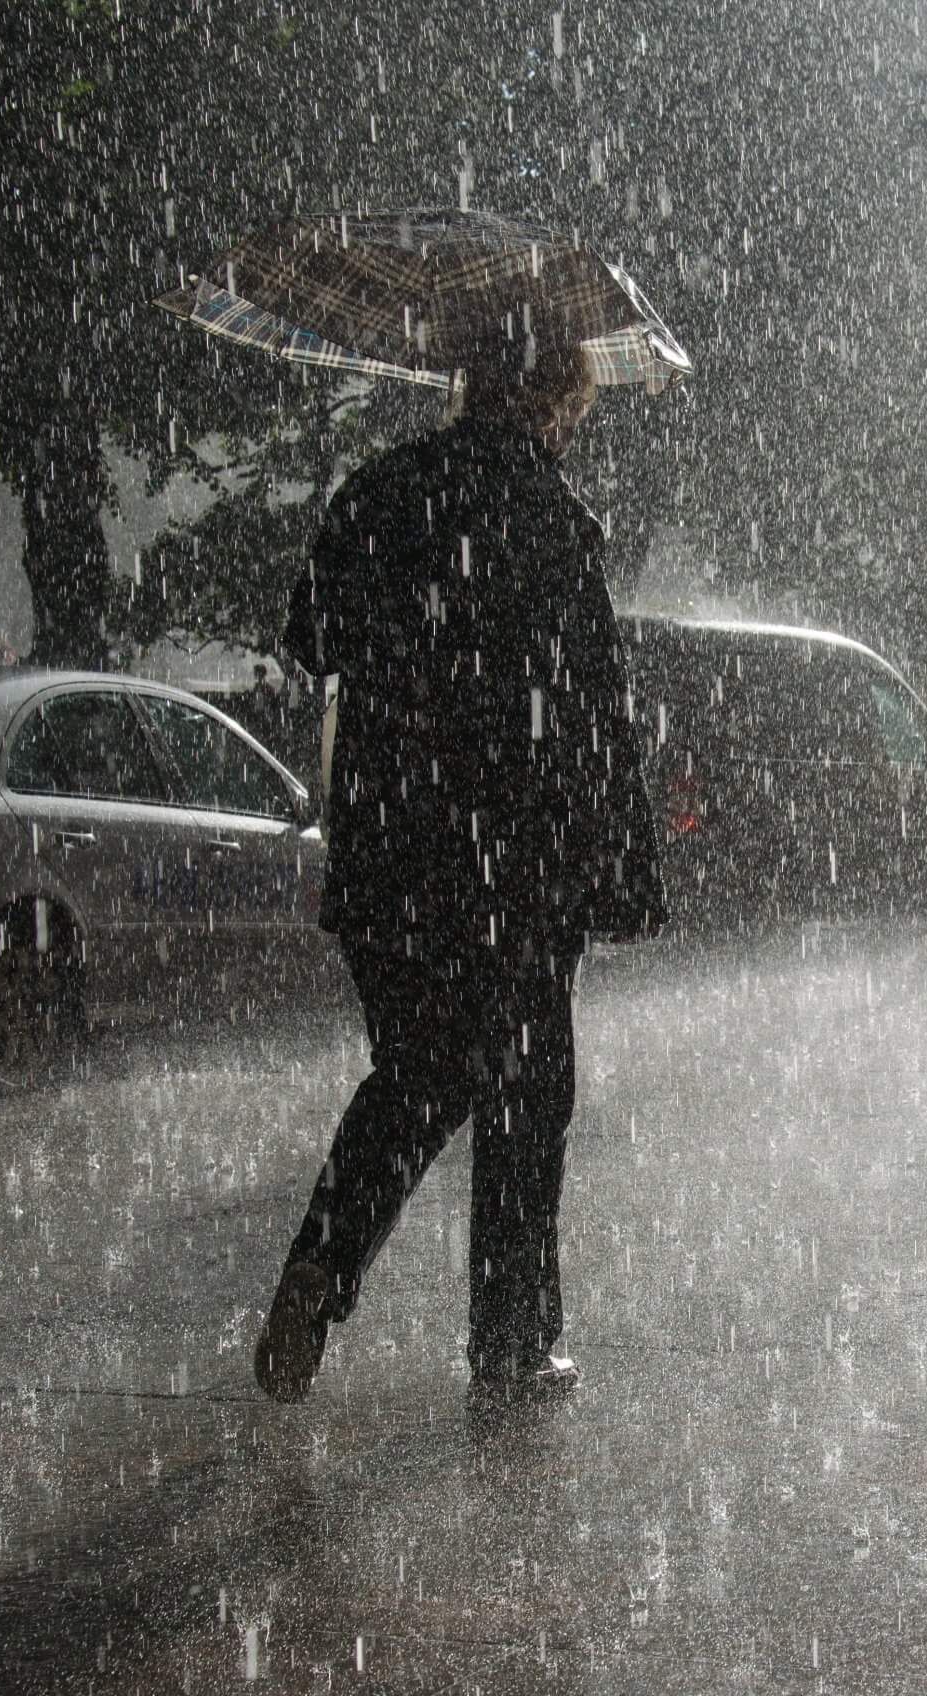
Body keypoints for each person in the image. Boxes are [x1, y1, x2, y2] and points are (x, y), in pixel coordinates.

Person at [255, 335, 666, 1406]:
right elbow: (590, 718)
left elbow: (311, 635)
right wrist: (614, 867)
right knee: (526, 1100)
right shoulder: (549, 520)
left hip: (389, 853)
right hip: (510, 867)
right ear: (546, 399)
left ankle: (323, 1262)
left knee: (416, 1077)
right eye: (570, 401)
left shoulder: (378, 494)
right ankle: (511, 1343)